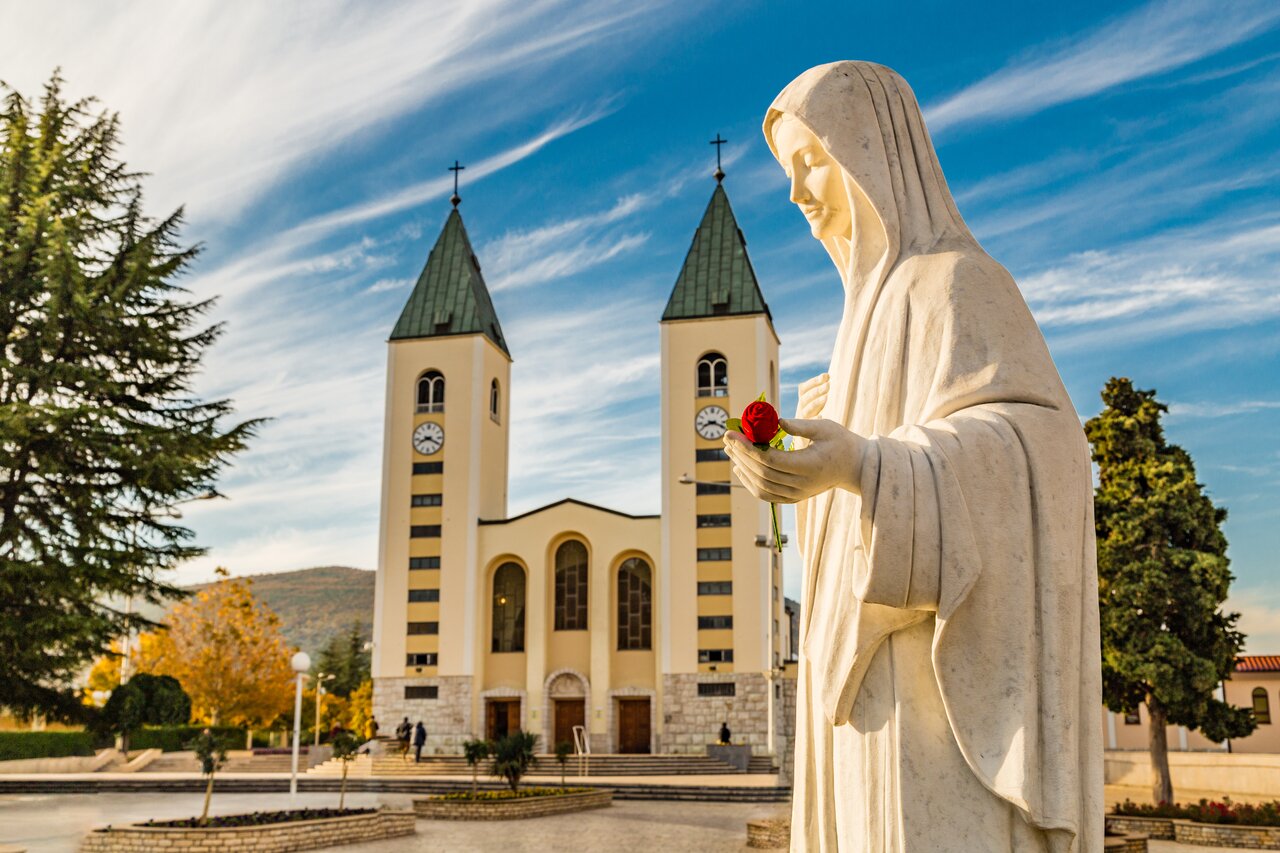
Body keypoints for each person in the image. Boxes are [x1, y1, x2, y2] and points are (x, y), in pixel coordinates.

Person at [726, 61, 1102, 851]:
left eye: (810, 163)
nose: (797, 195)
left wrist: (866, 465)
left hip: (934, 702)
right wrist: (815, 465)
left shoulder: (957, 284)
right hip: (861, 703)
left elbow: (1047, 449)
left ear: (870, 155)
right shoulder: (856, 326)